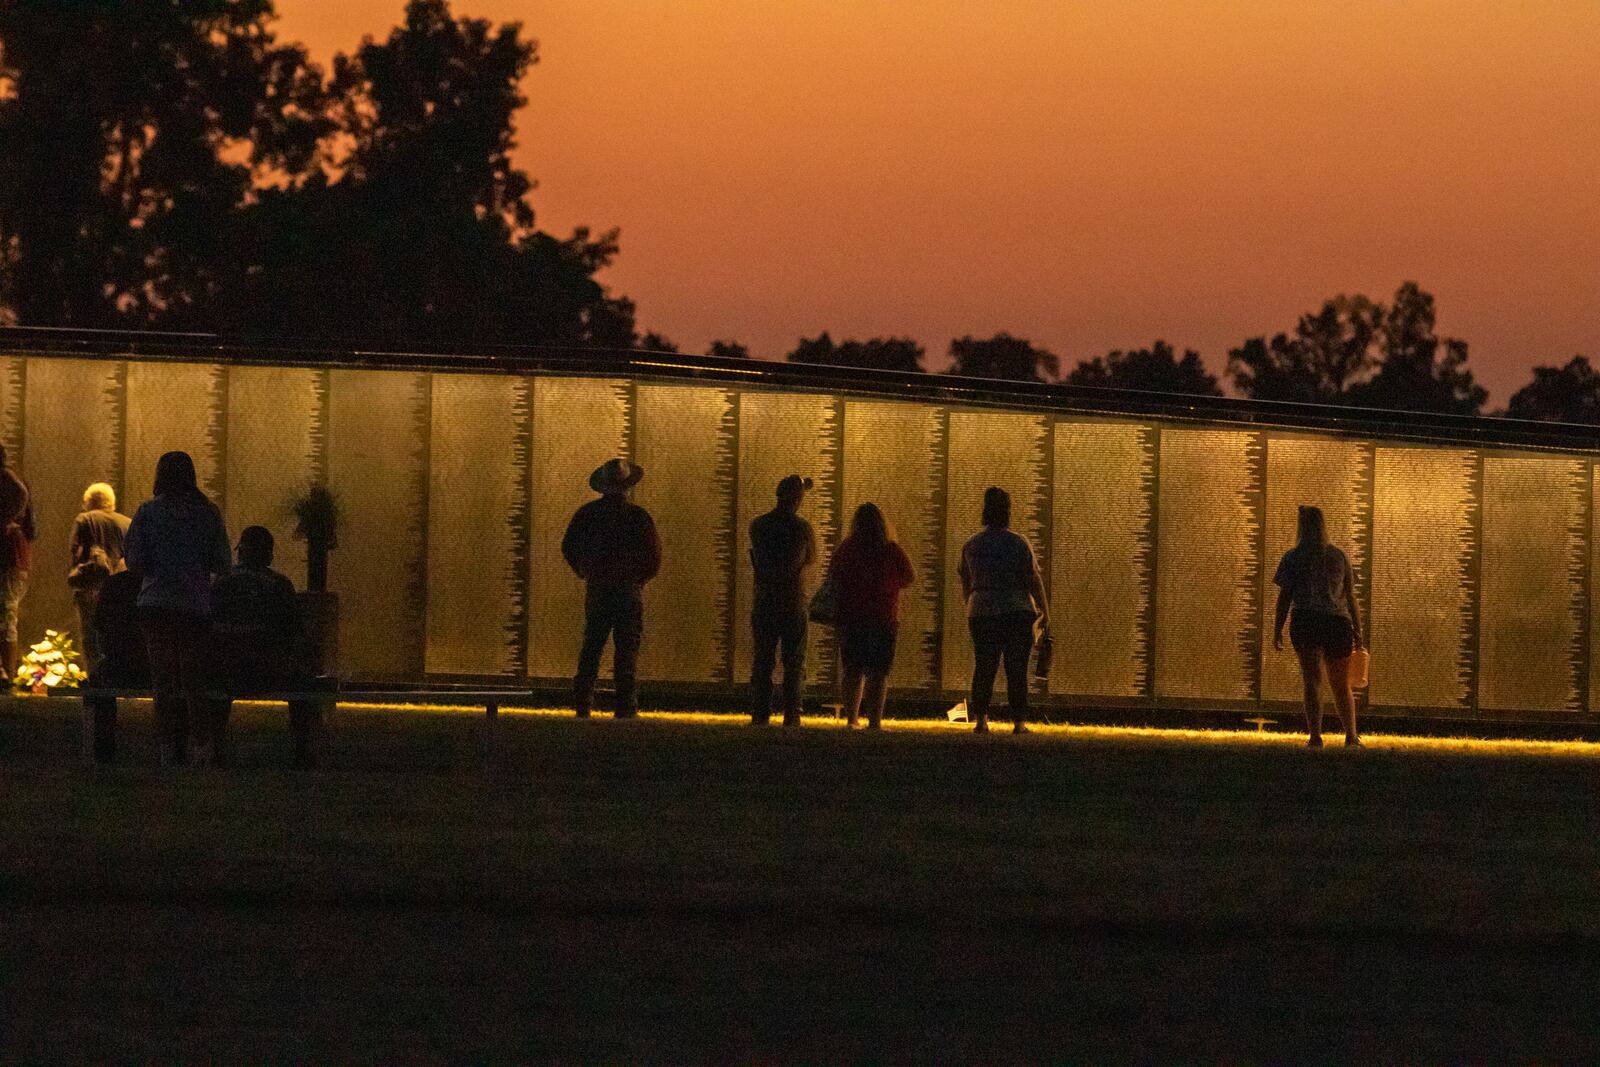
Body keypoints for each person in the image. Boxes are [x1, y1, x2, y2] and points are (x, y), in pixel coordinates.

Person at [124, 451, 231, 766]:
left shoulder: (147, 512)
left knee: (163, 683)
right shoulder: (208, 513)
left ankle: (166, 750)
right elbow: (222, 562)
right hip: (194, 606)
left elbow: (135, 562)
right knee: (194, 681)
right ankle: (201, 749)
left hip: (155, 605)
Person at [211, 525, 321, 767]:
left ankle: (213, 747)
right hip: (268, 671)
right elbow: (295, 631)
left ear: (240, 553)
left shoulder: (221, 582)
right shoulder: (279, 584)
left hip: (223, 672)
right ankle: (304, 753)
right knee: (305, 685)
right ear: (269, 555)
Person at [561, 459, 661, 719]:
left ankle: (583, 702)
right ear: (627, 486)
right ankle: (625, 705)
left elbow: (569, 547)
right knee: (627, 650)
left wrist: (584, 570)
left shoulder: (588, 514)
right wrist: (639, 579)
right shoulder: (638, 516)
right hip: (628, 590)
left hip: (598, 588)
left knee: (592, 645)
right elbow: (653, 556)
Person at [958, 486, 1050, 735]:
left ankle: (981, 721)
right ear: (1007, 511)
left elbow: (966, 579)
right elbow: (1033, 579)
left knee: (984, 666)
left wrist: (972, 602)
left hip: (981, 610)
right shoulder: (1019, 543)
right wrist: (1045, 611)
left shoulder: (972, 545)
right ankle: (1019, 723)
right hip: (1016, 610)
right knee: (1016, 668)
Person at [1273, 505, 1364, 747]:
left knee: (1312, 682)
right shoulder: (1338, 556)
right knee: (1341, 684)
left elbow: (1284, 598)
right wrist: (1358, 628)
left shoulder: (1292, 558)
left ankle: (1315, 736)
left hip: (1306, 621)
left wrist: (1277, 629)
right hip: (1337, 623)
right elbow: (1351, 596)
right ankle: (1351, 735)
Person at [828, 502, 913, 730]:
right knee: (878, 672)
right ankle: (874, 722)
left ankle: (851, 719)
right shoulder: (890, 549)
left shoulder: (847, 548)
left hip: (852, 616)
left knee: (852, 669)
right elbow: (909, 576)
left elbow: (834, 576)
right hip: (884, 617)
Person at [748, 474, 817, 727]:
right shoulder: (802, 529)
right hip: (792, 600)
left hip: (765, 598)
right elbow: (808, 559)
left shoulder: (759, 525)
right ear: (797, 499)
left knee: (763, 658)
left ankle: (760, 713)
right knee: (794, 661)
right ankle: (792, 714)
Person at [82, 567, 148, 764]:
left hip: (119, 667)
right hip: (162, 667)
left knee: (98, 679)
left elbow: (99, 629)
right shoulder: (166, 582)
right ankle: (175, 748)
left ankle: (103, 751)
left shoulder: (115, 584)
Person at [68, 482, 131, 668]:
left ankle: (94, 676)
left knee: (90, 633)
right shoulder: (127, 523)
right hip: (120, 588)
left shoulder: (84, 519)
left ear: (89, 501)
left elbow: (75, 551)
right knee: (116, 634)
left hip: (91, 586)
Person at [0, 443, 36, 677]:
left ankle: (8, 672)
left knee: (5, 612)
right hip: (13, 557)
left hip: (7, 557)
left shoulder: (8, 481)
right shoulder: (15, 480)